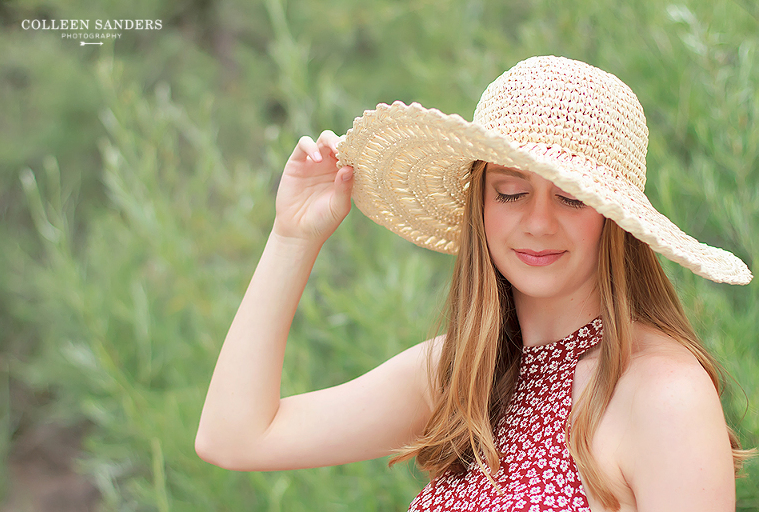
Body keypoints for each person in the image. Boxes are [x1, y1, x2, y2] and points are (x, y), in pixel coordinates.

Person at [195, 56, 753, 511]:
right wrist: (293, 238)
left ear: (617, 221)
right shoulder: (461, 371)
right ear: (480, 206)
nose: (537, 222)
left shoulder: (663, 393)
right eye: (510, 193)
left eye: (572, 198)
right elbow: (234, 438)